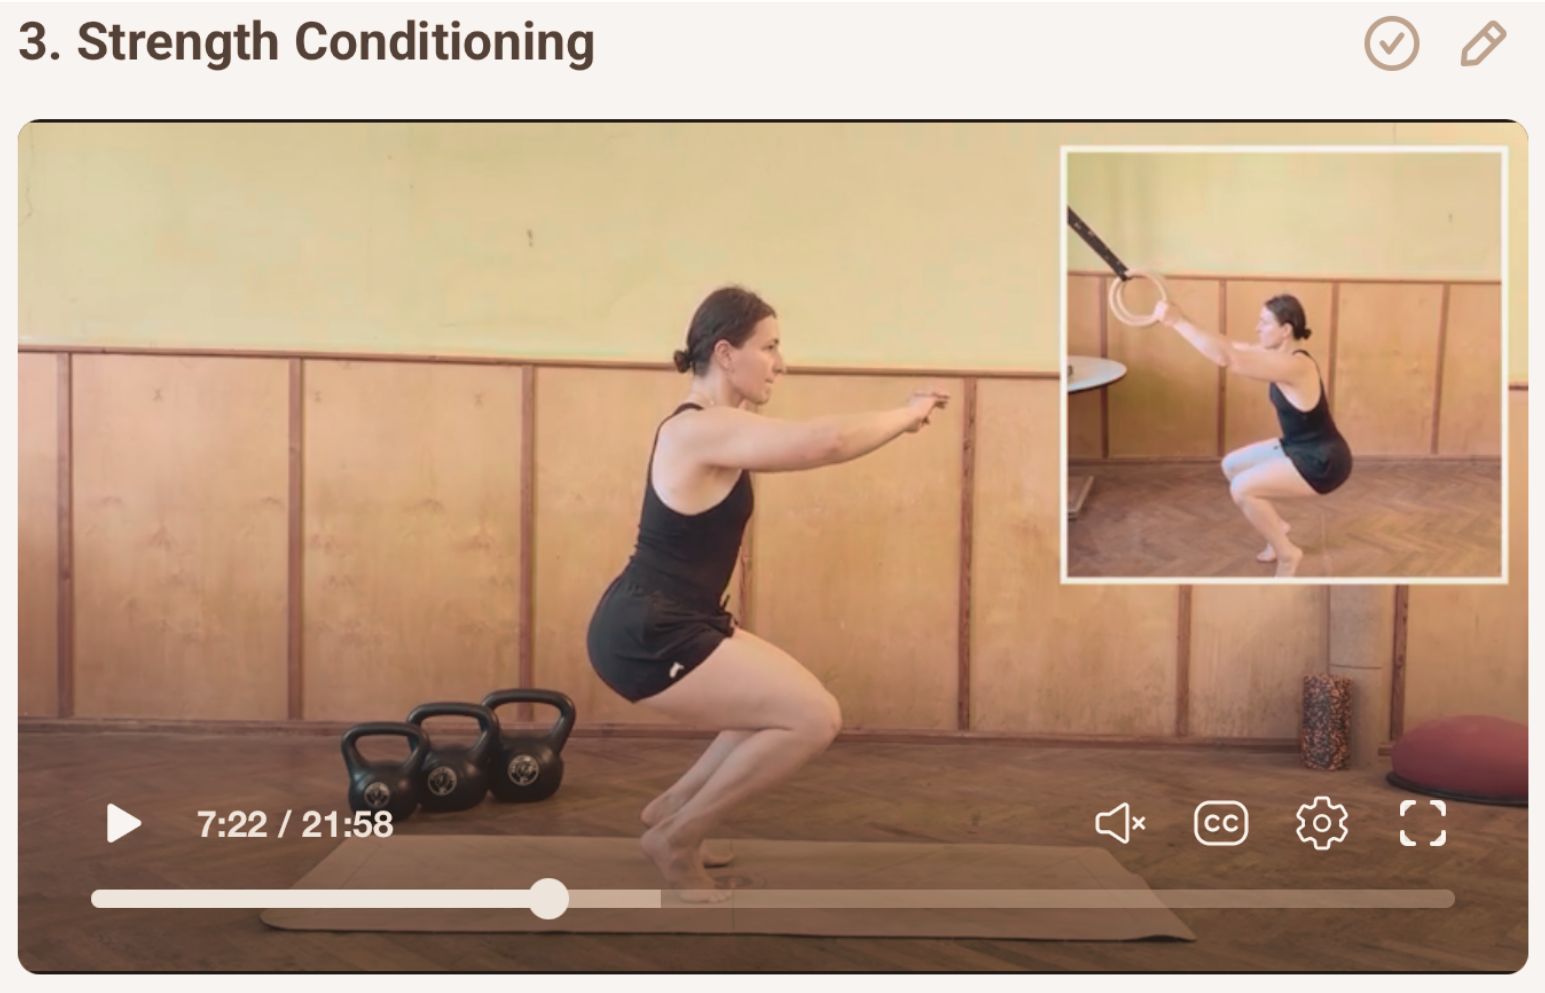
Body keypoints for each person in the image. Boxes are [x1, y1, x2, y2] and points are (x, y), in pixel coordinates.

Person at [585, 285, 948, 902]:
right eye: (771, 347)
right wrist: (907, 414)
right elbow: (825, 442)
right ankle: (676, 841)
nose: (783, 362)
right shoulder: (699, 430)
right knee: (812, 718)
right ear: (726, 353)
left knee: (776, 706)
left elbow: (809, 437)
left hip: (677, 618)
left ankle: (672, 810)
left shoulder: (720, 424)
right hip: (647, 632)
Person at [1155, 293, 1352, 577]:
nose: (1257, 328)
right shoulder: (1275, 355)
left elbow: (1227, 359)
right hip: (1299, 445)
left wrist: (1177, 323)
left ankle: (1287, 553)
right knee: (1231, 466)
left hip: (1324, 461)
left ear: (1285, 330)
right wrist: (1181, 317)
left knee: (1242, 489)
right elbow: (1227, 345)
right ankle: (1277, 528)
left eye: (1264, 322)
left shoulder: (1296, 366)